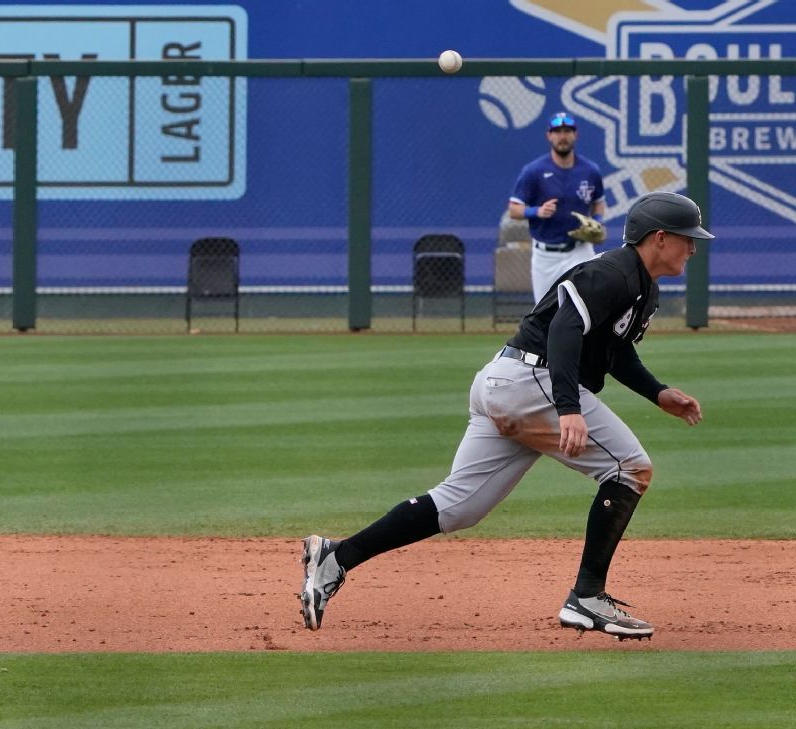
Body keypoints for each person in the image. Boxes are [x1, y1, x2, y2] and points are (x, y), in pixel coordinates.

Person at [300, 191, 713, 641]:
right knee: (630, 468)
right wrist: (568, 409)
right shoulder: (610, 272)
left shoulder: (643, 288)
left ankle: (336, 557)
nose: (692, 248)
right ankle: (587, 597)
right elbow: (564, 329)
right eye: (686, 238)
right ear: (659, 238)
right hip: (529, 382)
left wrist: (658, 393)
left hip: (507, 384)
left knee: (459, 507)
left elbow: (613, 351)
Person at [508, 111, 607, 303]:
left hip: (580, 250)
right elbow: (514, 209)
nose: (563, 136)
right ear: (549, 135)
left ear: (575, 134)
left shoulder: (590, 170)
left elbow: (599, 202)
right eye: (557, 131)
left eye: (567, 131)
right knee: (545, 316)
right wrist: (536, 211)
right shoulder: (534, 171)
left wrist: (598, 222)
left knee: (589, 308)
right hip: (547, 255)